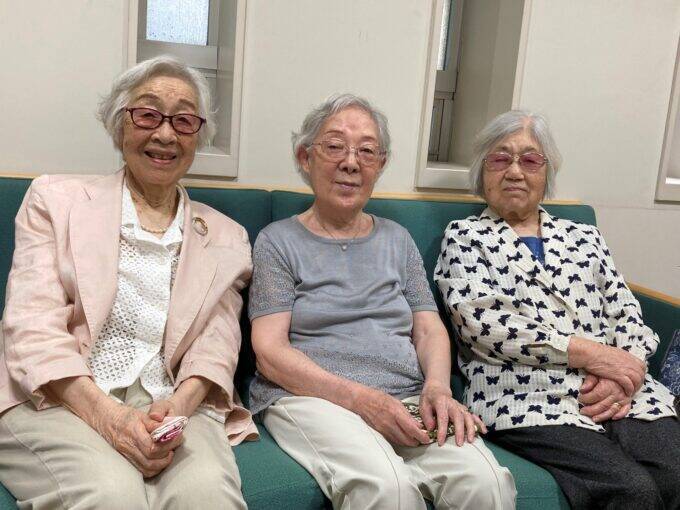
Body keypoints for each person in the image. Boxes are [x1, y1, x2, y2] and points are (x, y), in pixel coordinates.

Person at [0, 56, 257, 509]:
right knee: (111, 494)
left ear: (197, 137)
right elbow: (32, 328)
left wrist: (179, 406)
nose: (166, 134)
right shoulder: (54, 201)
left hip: (172, 401)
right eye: (148, 114)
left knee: (207, 495)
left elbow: (216, 345)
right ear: (120, 125)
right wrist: (112, 419)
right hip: (59, 394)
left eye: (183, 120)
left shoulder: (227, 236)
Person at [248, 94, 516, 510]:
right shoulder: (277, 241)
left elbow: (428, 328)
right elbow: (269, 352)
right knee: (388, 488)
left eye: (367, 151)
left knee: (487, 484)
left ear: (381, 164)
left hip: (406, 395)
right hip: (312, 398)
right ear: (305, 157)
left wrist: (438, 388)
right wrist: (361, 400)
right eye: (334, 146)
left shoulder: (397, 239)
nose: (351, 163)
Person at [434, 110, 680, 510]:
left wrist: (627, 371)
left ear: (546, 173)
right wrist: (591, 353)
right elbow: (482, 324)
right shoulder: (466, 238)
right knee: (631, 490)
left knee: (675, 473)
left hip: (625, 392)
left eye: (530, 160)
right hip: (526, 396)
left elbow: (626, 312)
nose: (515, 171)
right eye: (501, 159)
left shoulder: (585, 236)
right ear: (482, 171)